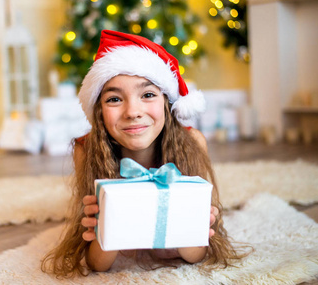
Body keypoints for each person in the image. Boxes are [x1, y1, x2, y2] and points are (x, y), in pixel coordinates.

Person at [42, 30, 244, 277]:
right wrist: (103, 223)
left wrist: (193, 222)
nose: (132, 112)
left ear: (167, 103)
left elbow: (196, 255)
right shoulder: (87, 149)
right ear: (99, 112)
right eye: (114, 99)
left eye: (148, 95)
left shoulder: (193, 142)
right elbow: (97, 263)